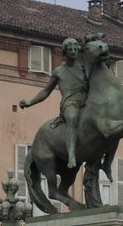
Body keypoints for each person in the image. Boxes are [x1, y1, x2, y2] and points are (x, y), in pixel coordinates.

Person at [17, 36, 89, 168]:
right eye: (70, 49)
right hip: (70, 103)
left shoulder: (84, 69)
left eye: (75, 48)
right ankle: (72, 154)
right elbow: (46, 92)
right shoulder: (59, 72)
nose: (73, 51)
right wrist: (29, 102)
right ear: (65, 52)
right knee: (72, 118)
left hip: (86, 102)